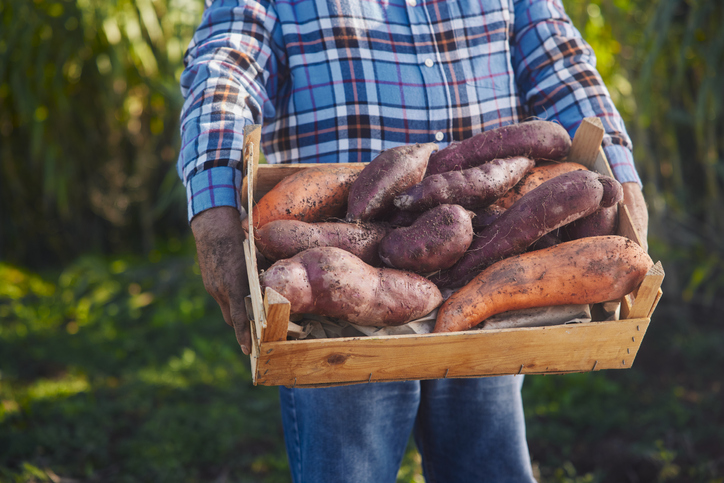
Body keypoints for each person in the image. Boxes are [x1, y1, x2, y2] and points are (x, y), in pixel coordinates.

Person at [178, 0, 649, 481]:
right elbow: (226, 66)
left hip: (494, 273)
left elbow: (560, 64)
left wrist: (620, 172)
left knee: (489, 467)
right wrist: (213, 207)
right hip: (335, 293)